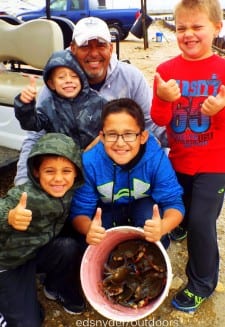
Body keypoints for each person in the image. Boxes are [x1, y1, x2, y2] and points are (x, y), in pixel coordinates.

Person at [14, 16, 167, 186]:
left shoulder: (132, 77)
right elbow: (35, 136)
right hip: (71, 173)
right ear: (72, 49)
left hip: (118, 168)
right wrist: (22, 183)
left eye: (100, 45)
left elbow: (150, 126)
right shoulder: (58, 83)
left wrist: (182, 141)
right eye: (85, 45)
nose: (94, 53)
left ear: (111, 48)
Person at [151, 0, 225, 313]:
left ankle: (201, 284)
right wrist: (165, 100)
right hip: (178, 160)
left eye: (198, 27)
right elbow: (158, 117)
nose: (189, 34)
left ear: (217, 28)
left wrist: (221, 112)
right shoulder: (165, 71)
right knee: (178, 207)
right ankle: (180, 225)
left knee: (201, 223)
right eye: (182, 28)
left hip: (215, 164)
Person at [70, 98, 184, 251]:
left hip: (143, 204)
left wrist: (162, 227)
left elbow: (174, 204)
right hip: (106, 208)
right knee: (91, 240)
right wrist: (89, 228)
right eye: (112, 134)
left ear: (143, 137)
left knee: (152, 223)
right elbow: (80, 212)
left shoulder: (155, 158)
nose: (120, 143)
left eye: (129, 134)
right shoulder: (90, 162)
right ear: (102, 137)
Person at [0, 133, 85, 327]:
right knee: (30, 322)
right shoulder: (25, 195)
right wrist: (9, 216)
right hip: (9, 263)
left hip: (36, 252)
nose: (58, 179)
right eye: (49, 171)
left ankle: (54, 287)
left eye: (66, 171)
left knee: (69, 247)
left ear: (76, 173)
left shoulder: (71, 190)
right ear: (37, 172)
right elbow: (4, 207)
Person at [14, 49, 106, 150]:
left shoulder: (99, 101)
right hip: (63, 159)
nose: (68, 80)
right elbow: (32, 124)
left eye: (74, 76)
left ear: (82, 79)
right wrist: (25, 104)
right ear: (51, 84)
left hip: (94, 155)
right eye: (61, 77)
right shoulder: (48, 106)